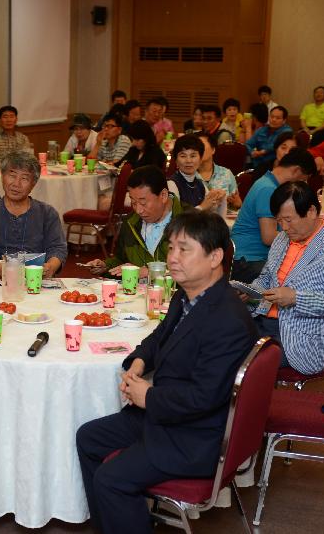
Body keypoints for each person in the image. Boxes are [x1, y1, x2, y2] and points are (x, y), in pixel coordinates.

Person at [76, 211, 258, 534]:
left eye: (183, 249)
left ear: (215, 257)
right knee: (88, 438)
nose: (172, 258)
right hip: (170, 417)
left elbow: (204, 397)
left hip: (195, 437)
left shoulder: (227, 320)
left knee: (111, 480)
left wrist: (148, 396)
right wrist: (139, 363)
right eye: (171, 248)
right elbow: (158, 338)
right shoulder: (187, 296)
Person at [241, 181, 324, 375]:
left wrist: (296, 298)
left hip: (303, 337)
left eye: (288, 219)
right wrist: (250, 292)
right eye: (279, 220)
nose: (283, 227)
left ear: (311, 211)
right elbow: (265, 279)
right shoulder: (282, 239)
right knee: (214, 342)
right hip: (263, 322)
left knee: (235, 360)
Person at [0, 151, 66, 277]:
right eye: (12, 175)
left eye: (24, 178)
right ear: (2, 175)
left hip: (38, 280)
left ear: (33, 183)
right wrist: (3, 269)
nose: (16, 184)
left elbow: (57, 248)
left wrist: (50, 267)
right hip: (0, 283)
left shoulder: (47, 213)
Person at [231, 147, 317, 282]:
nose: (303, 184)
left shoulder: (268, 182)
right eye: (304, 180)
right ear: (296, 170)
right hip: (249, 260)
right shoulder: (268, 189)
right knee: (301, 279)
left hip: (251, 257)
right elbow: (269, 237)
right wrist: (302, 236)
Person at [86, 165, 182, 279]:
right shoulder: (131, 222)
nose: (138, 210)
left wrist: (150, 272)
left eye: (143, 203)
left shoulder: (189, 224)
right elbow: (122, 260)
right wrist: (106, 266)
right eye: (133, 202)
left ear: (163, 195)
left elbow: (196, 271)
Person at [167, 134, 226, 211]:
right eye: (183, 156)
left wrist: (220, 198)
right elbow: (175, 218)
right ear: (176, 161)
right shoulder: (172, 184)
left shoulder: (200, 184)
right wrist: (202, 207)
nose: (188, 161)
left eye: (193, 156)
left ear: (201, 159)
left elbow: (215, 212)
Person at [197, 132, 241, 210]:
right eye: (195, 146)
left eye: (202, 145)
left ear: (213, 149)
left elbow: (236, 206)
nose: (198, 149)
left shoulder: (226, 174)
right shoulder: (189, 175)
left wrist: (237, 204)